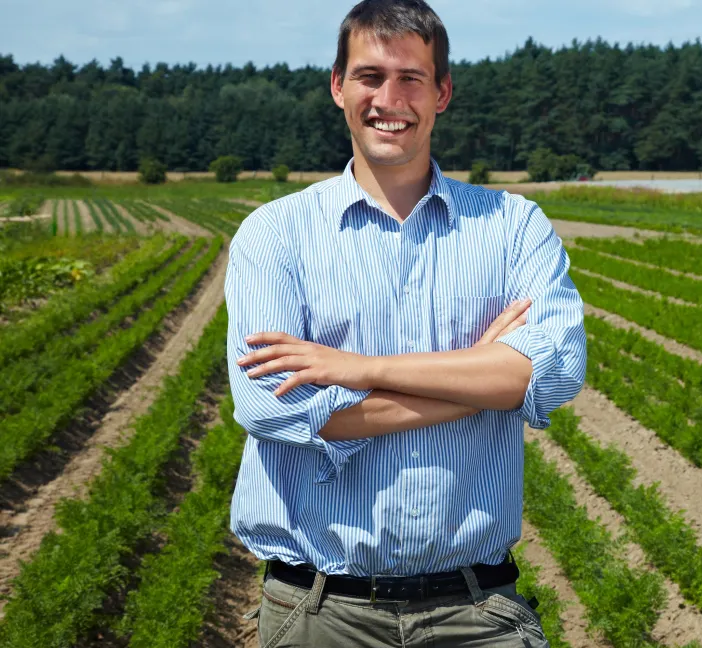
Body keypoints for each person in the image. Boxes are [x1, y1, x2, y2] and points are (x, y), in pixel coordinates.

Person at [223, 1, 586, 645]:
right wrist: (479, 384)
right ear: (338, 86)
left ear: (441, 93)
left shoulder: (512, 226)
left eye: (411, 78)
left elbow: (553, 373)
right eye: (369, 76)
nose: (390, 99)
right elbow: (269, 406)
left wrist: (359, 371)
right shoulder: (275, 234)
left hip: (477, 612)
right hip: (320, 610)